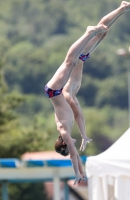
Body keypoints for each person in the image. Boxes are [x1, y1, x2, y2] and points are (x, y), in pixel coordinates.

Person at [45, 1, 130, 185]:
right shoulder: (68, 125)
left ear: (64, 144)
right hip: (59, 88)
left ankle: (88, 31)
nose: (72, 148)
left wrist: (77, 173)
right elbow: (79, 117)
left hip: (54, 90)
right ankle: (123, 8)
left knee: (70, 61)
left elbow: (74, 156)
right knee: (103, 32)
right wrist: (83, 135)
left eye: (69, 148)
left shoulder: (63, 130)